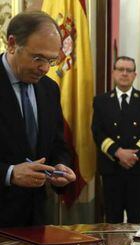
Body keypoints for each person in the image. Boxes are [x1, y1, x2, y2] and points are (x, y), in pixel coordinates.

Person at [0, 11, 76, 227]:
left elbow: (57, 145)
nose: (44, 68)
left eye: (51, 60)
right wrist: (10, 173)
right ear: (12, 44)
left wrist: (61, 167)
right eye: (38, 58)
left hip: (35, 219)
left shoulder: (49, 89)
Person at [91, 56, 140, 224]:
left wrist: (135, 155)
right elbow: (97, 131)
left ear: (135, 75)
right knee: (112, 218)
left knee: (136, 219)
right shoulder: (101, 101)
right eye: (120, 69)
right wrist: (118, 153)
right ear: (113, 73)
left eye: (129, 70)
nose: (124, 74)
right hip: (112, 168)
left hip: (138, 168)